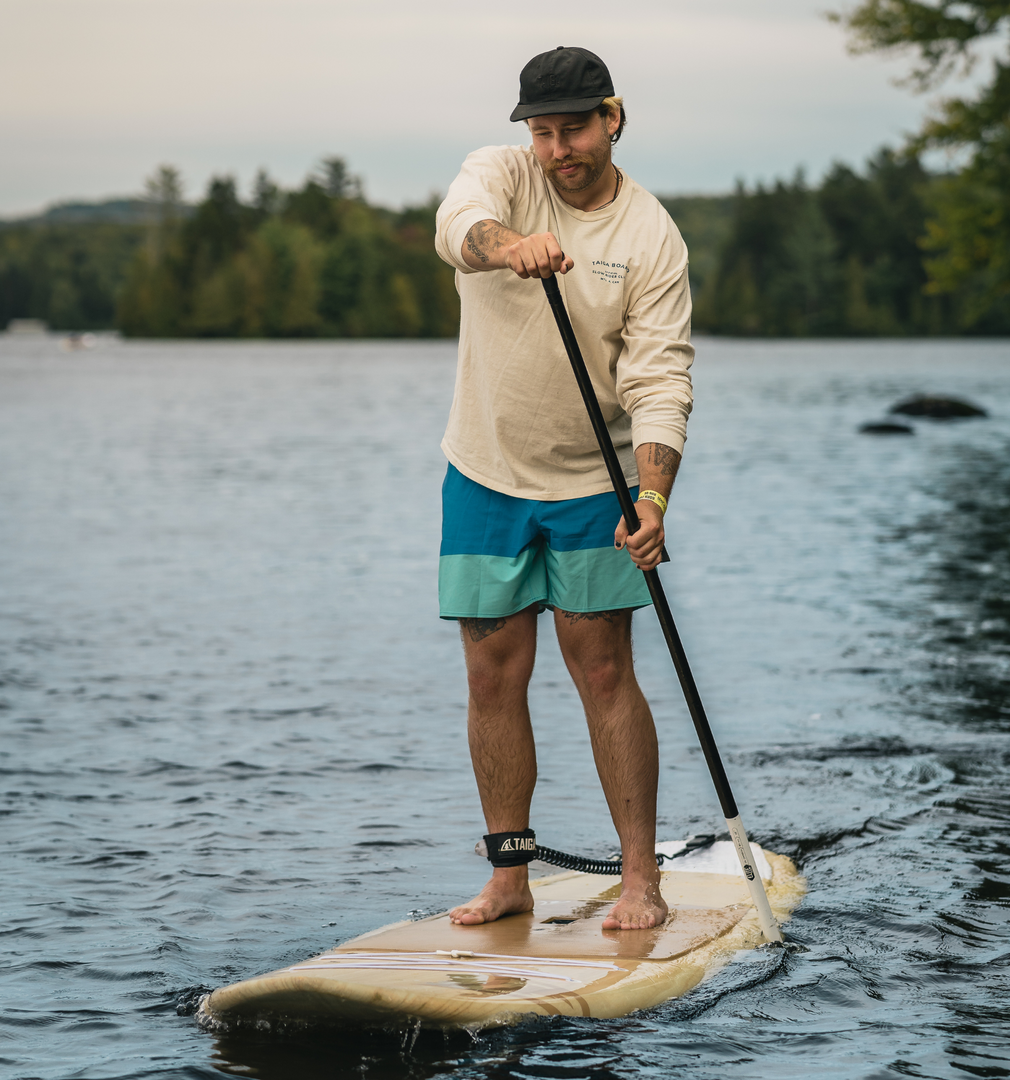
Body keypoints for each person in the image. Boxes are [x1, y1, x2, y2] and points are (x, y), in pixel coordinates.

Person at [434, 46, 693, 931]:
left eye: (573, 129)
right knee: (490, 675)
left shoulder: (650, 234)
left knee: (603, 669)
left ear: (612, 119)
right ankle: (510, 877)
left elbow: (660, 378)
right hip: (483, 473)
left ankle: (639, 882)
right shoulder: (502, 175)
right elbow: (457, 227)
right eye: (542, 132)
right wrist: (512, 247)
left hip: (596, 482)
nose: (556, 150)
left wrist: (652, 502)